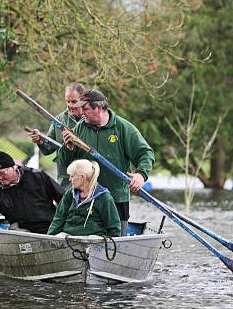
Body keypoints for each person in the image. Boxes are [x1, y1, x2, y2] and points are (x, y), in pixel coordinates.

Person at [60, 89, 154, 234]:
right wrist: (68, 148)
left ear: (98, 108)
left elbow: (145, 153)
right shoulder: (79, 128)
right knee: (85, 242)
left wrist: (141, 175)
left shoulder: (123, 128)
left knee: (116, 241)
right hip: (87, 199)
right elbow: (67, 162)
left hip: (116, 198)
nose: (81, 113)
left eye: (85, 109)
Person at [26, 82, 86, 188]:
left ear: (83, 100)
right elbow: (48, 149)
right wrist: (40, 141)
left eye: (74, 101)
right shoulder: (59, 120)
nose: (70, 105)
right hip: (66, 181)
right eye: (68, 101)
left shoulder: (91, 119)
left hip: (88, 179)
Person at [47, 160, 121, 237]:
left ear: (82, 177)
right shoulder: (69, 194)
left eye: (72, 176)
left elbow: (114, 229)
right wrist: (48, 238)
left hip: (93, 241)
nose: (69, 179)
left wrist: (109, 245)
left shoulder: (105, 198)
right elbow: (58, 218)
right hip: (68, 238)